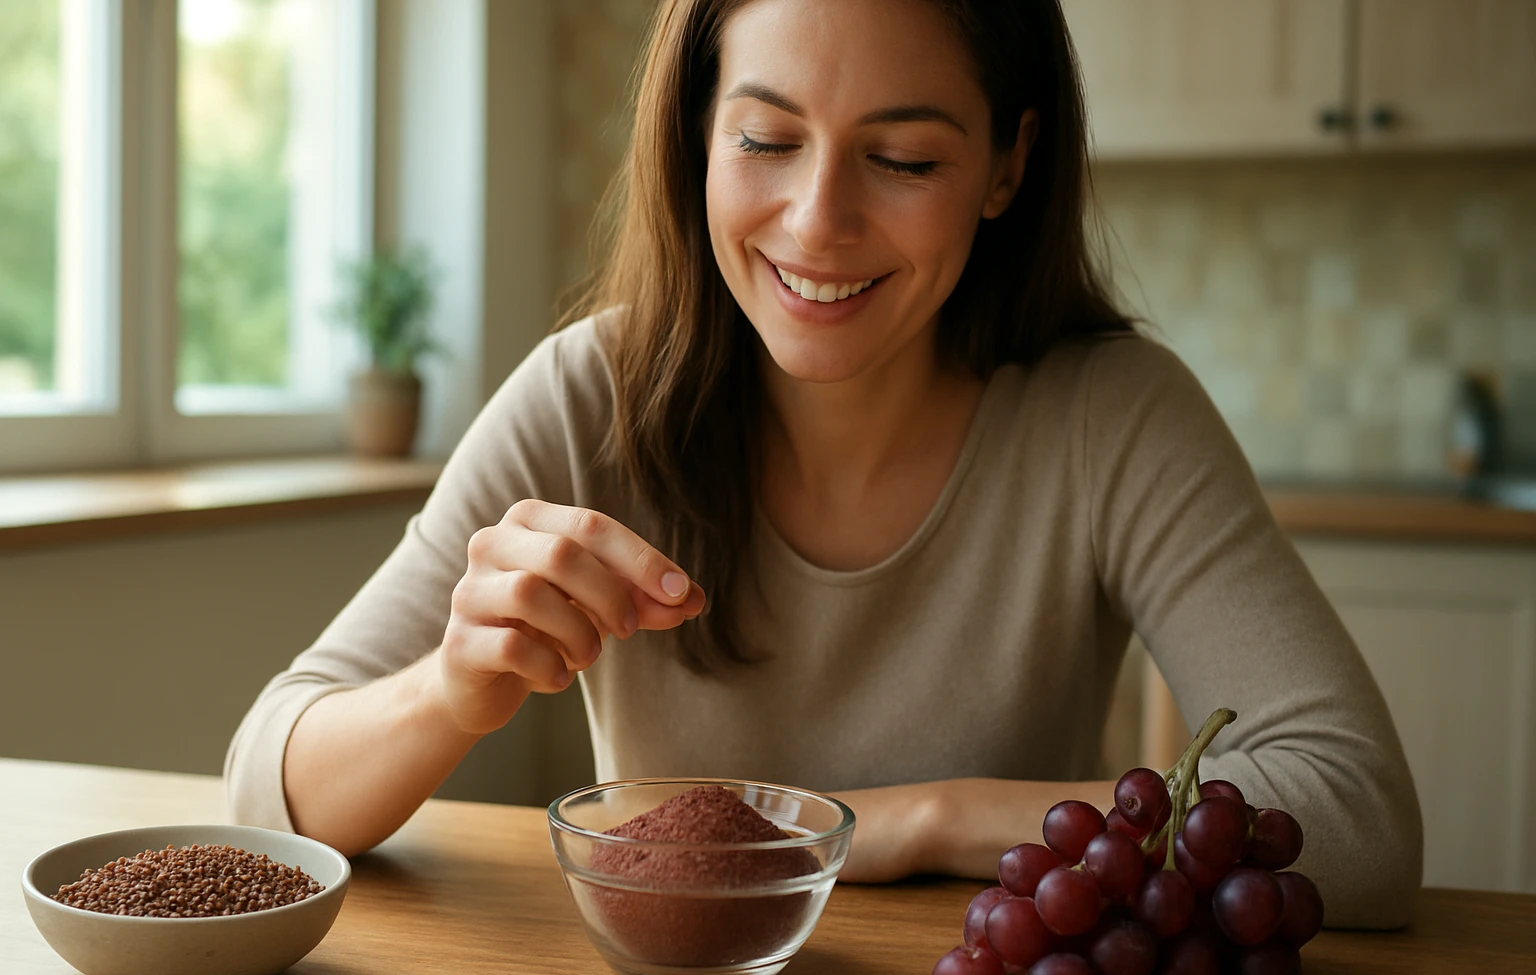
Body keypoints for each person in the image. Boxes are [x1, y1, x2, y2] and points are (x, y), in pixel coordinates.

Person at [226, 0, 1421, 927]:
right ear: (698, 132)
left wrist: (919, 821)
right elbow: (265, 787)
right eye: (764, 138)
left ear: (1009, 165)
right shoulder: (591, 394)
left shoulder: (1112, 416)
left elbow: (1362, 821)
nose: (816, 222)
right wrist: (448, 689)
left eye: (902, 159)